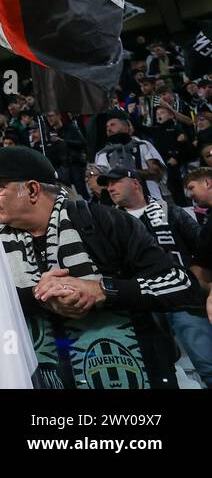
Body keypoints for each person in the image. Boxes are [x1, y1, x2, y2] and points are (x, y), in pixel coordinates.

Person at [0, 145, 202, 320]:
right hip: (31, 372)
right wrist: (39, 297)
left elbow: (181, 284)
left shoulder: (105, 220)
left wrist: (103, 289)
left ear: (32, 190)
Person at [97, 153, 212, 386]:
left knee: (207, 362)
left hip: (183, 300)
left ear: (135, 183)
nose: (110, 188)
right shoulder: (110, 221)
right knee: (160, 370)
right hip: (144, 303)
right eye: (107, 184)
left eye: (115, 181)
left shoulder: (169, 211)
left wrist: (200, 283)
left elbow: (202, 247)